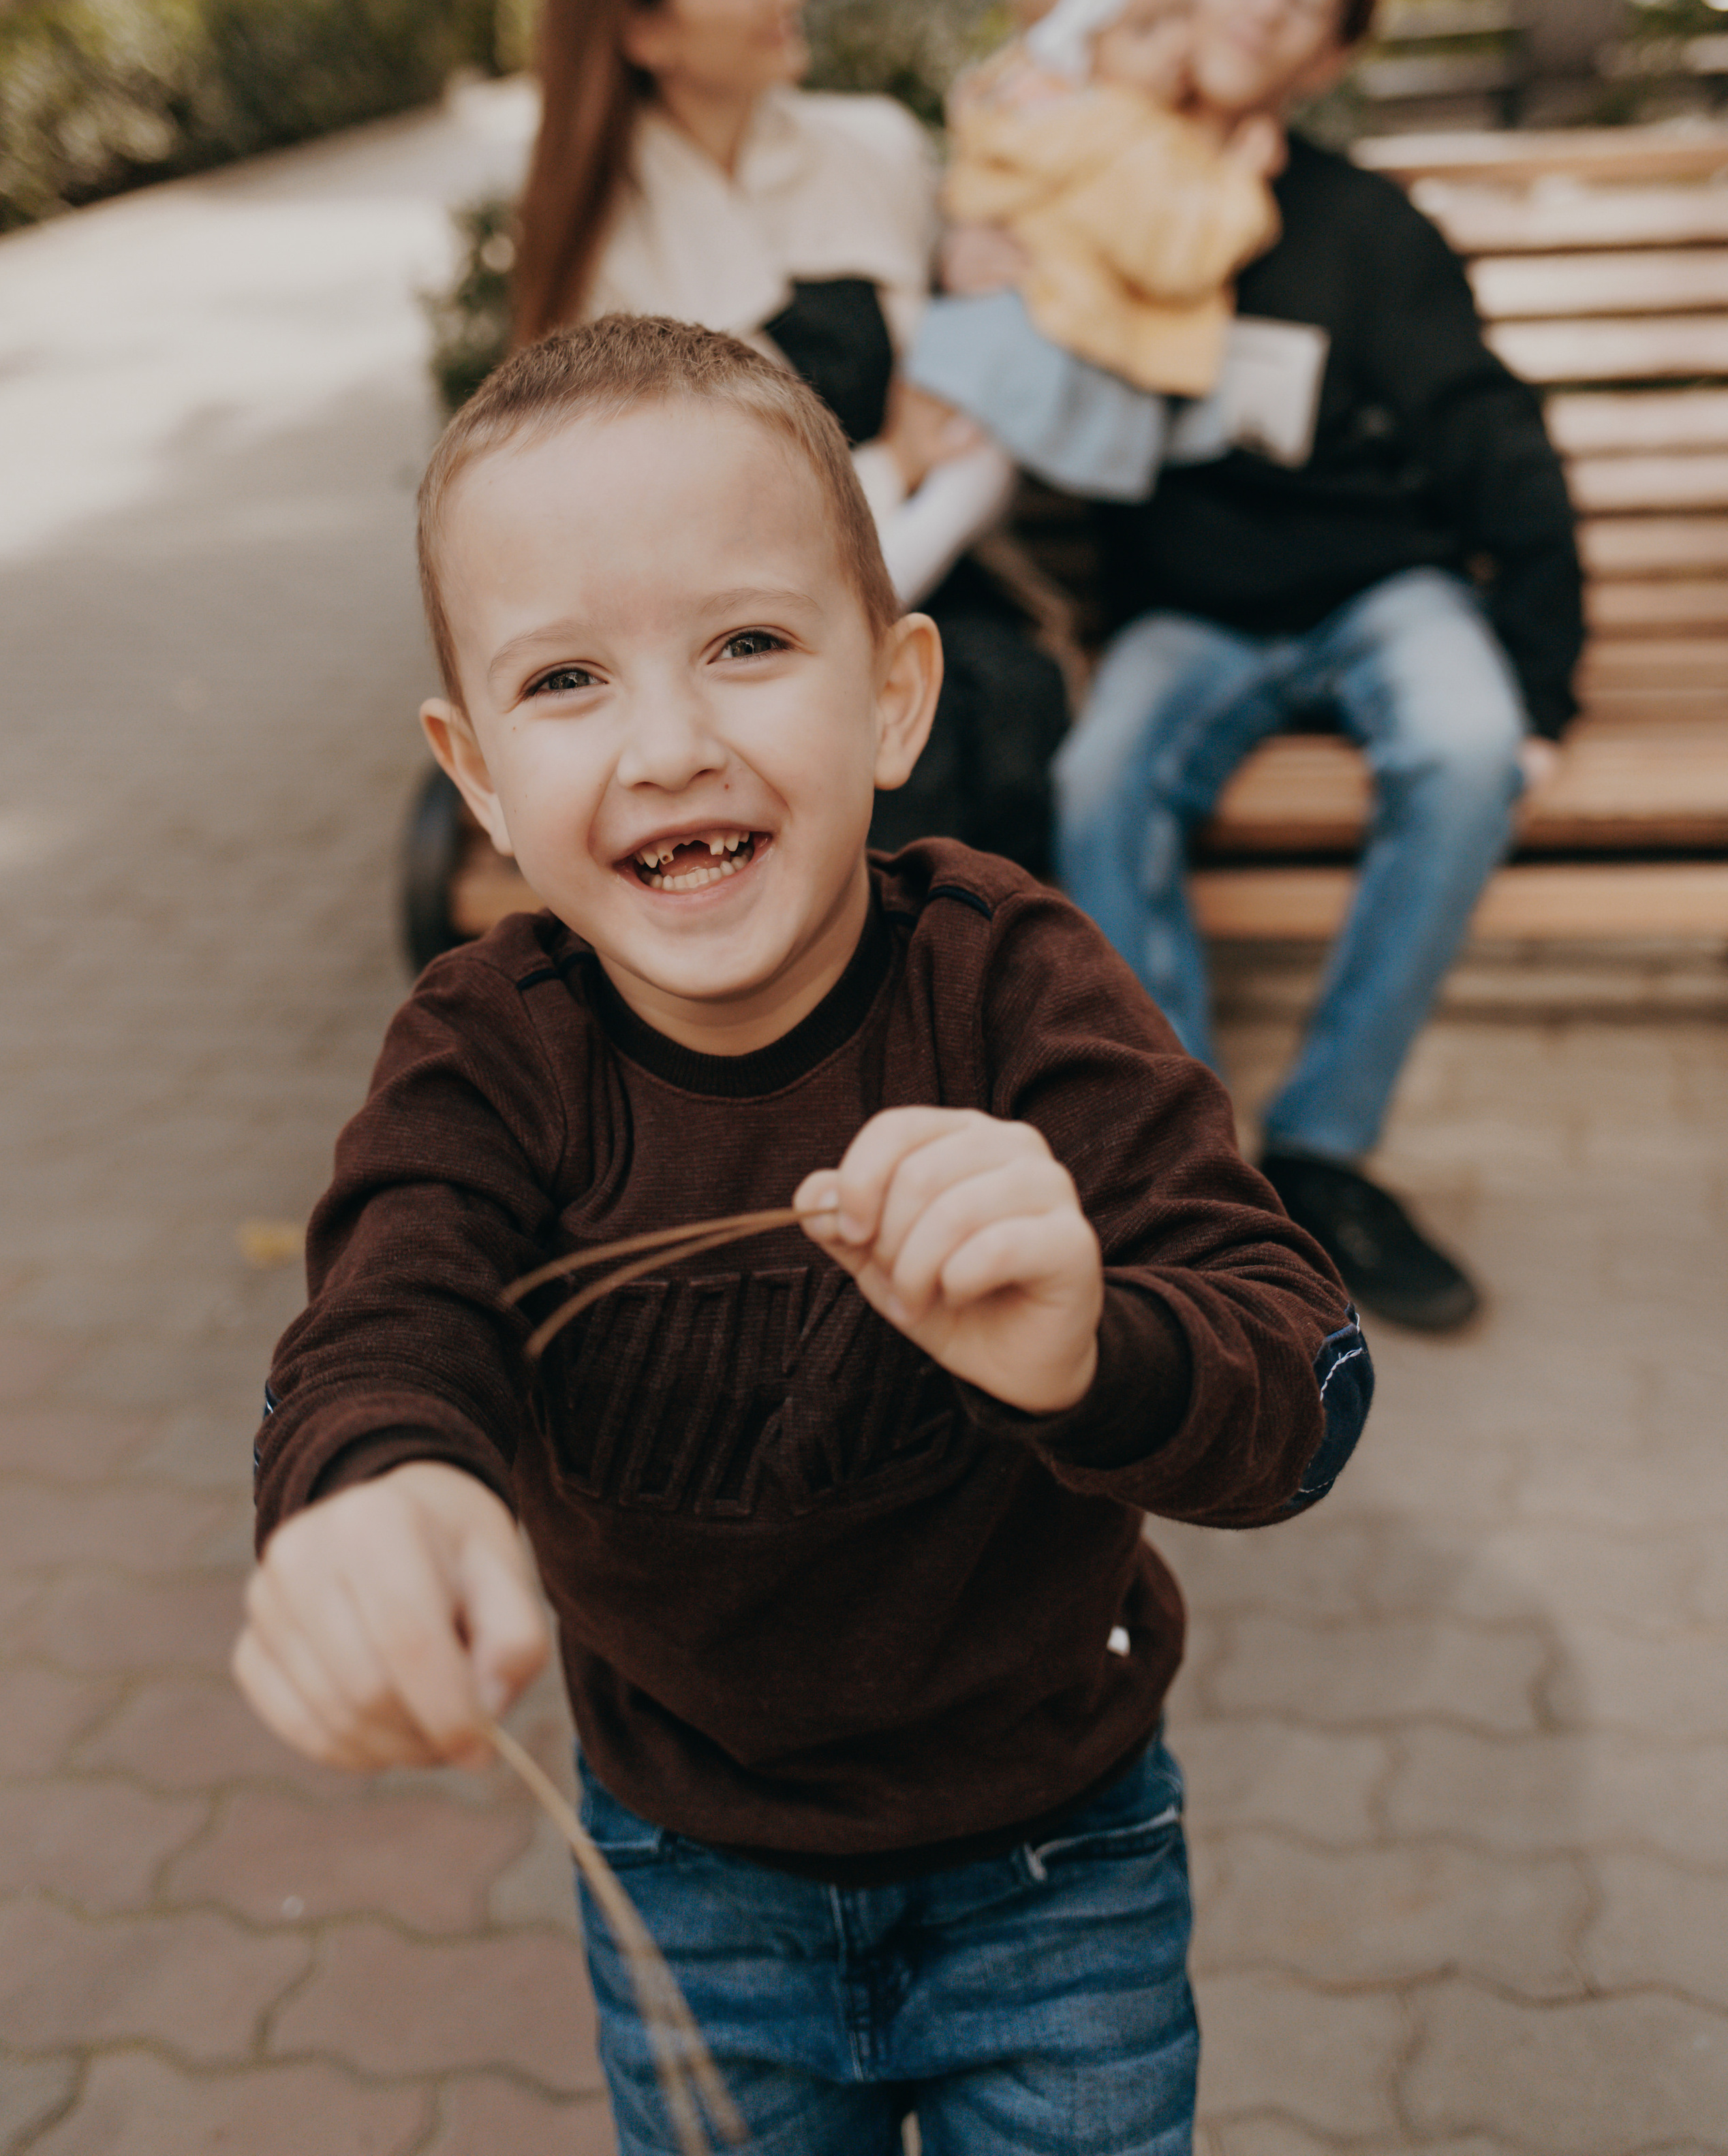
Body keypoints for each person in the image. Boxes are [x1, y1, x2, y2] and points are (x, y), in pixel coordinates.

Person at [236, 315, 1371, 2156]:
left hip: (1056, 1861)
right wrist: (379, 1492)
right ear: (474, 774)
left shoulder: (1019, 987)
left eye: (750, 645)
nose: (672, 745)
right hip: (689, 1878)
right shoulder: (485, 1056)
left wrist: (1097, 1350)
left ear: (895, 693)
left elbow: (1307, 1384)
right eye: (566, 683)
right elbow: (382, 1324)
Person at [1049, 0, 1584, 1333]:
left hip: (1379, 591)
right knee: (1096, 772)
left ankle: (1322, 1156)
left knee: (1469, 749)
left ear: (1327, 60)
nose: (1258, 7)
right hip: (1189, 616)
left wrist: (1539, 686)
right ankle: (1187, 1184)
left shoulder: (1364, 228)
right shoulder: (1086, 184)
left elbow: (1491, 437)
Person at [510, 0, 1068, 871]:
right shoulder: (604, 247)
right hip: (709, 642)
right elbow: (663, 526)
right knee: (846, 747)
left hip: (933, 586)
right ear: (645, 29)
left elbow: (976, 366)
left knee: (987, 703)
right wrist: (897, 459)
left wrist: (994, 261)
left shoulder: (877, 149)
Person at [902, 0, 1282, 507]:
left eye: (1181, 14)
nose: (1178, 41)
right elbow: (1177, 256)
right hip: (1047, 352)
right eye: (1146, 29)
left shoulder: (1038, 122)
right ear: (1080, 46)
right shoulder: (1122, 139)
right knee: (959, 498)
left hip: (996, 336)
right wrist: (1240, 181)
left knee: (951, 496)